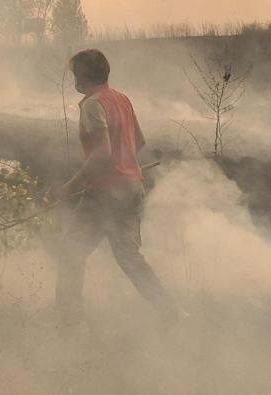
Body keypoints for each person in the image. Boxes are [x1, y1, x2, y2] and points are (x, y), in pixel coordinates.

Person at [50, 48, 176, 326]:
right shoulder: (122, 99)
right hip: (131, 190)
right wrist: (126, 167)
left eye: (75, 74)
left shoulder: (93, 105)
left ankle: (67, 321)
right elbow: (139, 142)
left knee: (70, 252)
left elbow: (102, 154)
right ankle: (172, 314)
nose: (73, 79)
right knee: (129, 259)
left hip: (105, 194)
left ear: (82, 77)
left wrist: (70, 186)